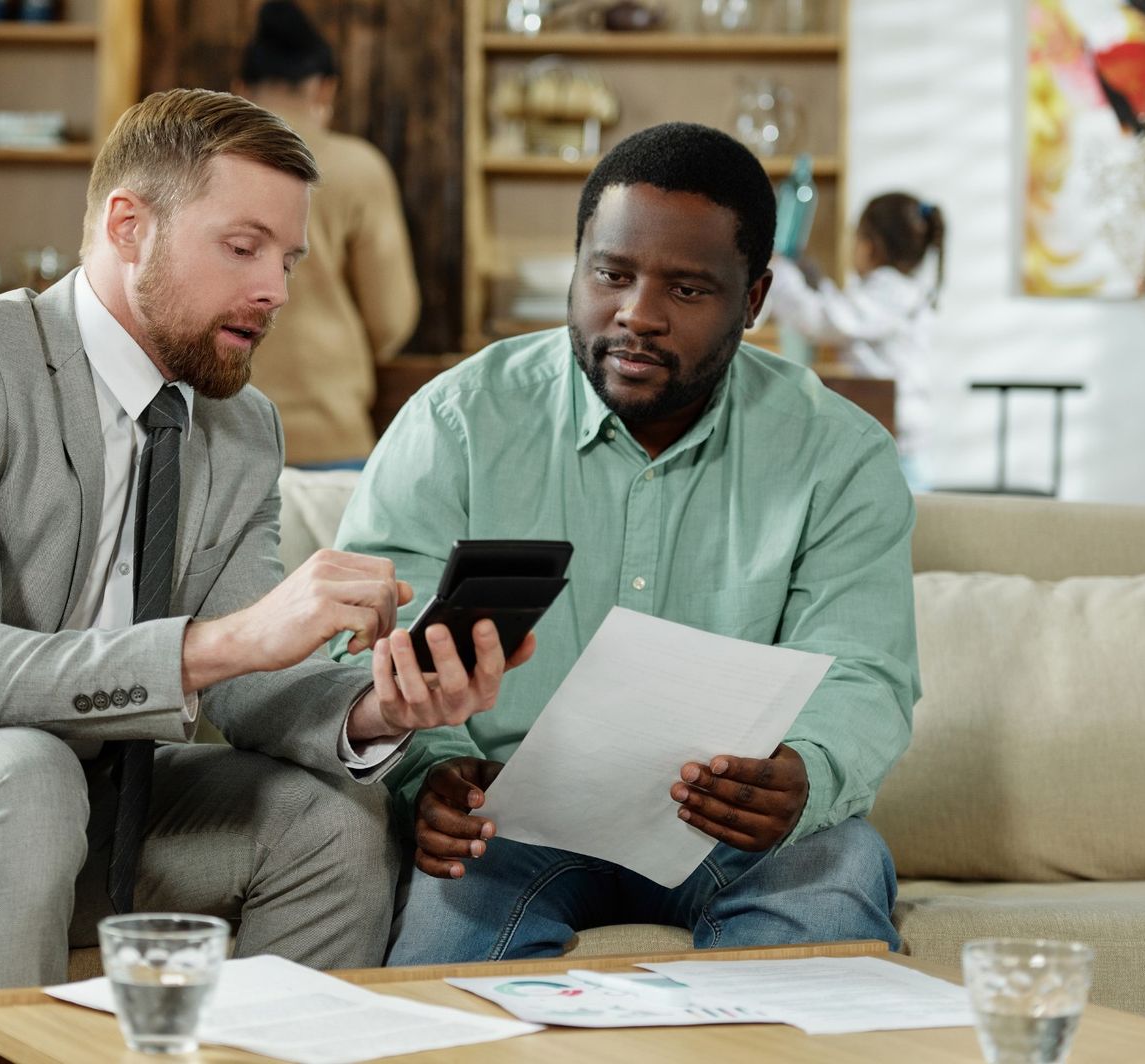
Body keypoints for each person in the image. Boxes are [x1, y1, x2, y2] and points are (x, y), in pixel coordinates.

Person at [0, 89, 527, 1064]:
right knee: (18, 772)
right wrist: (227, 640)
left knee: (330, 817)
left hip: (75, 819)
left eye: (287, 260)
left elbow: (252, 684)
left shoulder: (241, 427)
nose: (279, 289)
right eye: (242, 247)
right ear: (131, 225)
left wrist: (383, 706)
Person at [332, 122, 921, 965]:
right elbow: (368, 639)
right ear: (577, 266)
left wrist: (806, 772)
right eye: (610, 274)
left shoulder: (839, 454)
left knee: (839, 874)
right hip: (508, 817)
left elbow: (867, 668)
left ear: (752, 302)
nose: (636, 315)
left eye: (687, 290)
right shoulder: (457, 421)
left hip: (730, 825)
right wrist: (435, 770)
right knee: (444, 967)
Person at [235, 0, 420, 469]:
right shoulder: (358, 167)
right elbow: (392, 317)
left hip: (220, 440)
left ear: (238, 90)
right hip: (331, 433)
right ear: (325, 88)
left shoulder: (200, 166)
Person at [764, 192, 946, 491]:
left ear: (871, 246)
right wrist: (817, 282)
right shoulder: (896, 292)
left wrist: (780, 274)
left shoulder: (890, 292)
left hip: (899, 451)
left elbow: (823, 321)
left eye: (855, 237)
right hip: (902, 444)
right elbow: (845, 311)